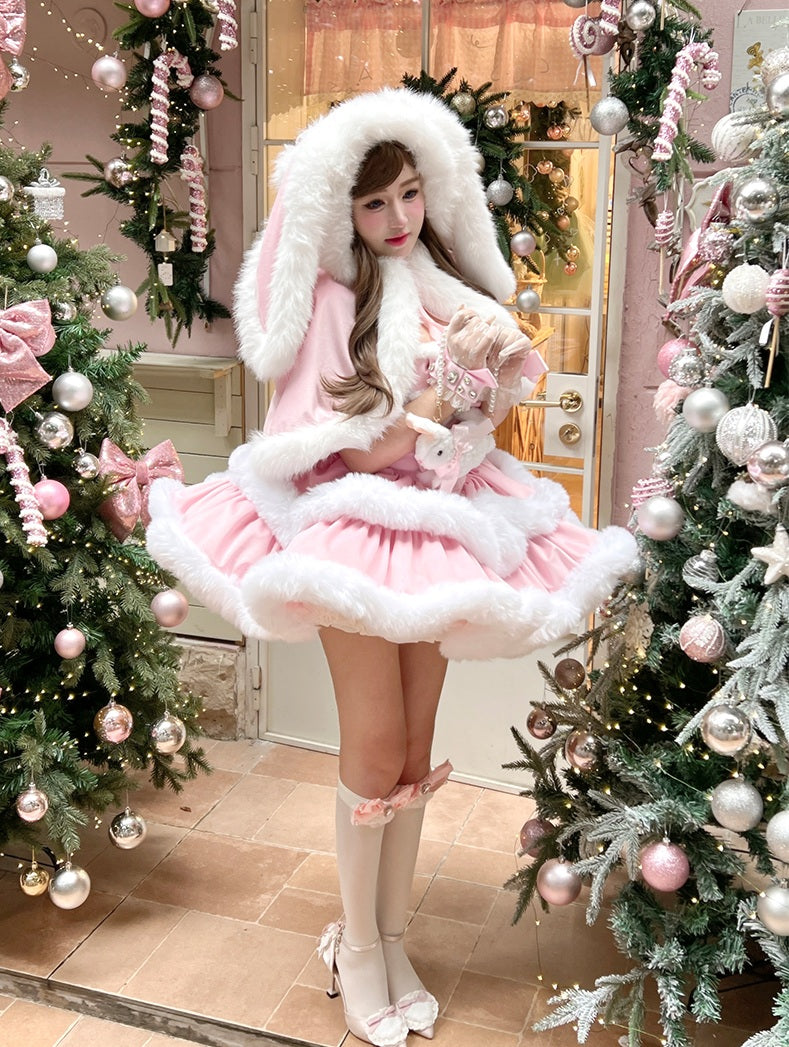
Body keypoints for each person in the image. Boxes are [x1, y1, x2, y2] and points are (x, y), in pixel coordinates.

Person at [146, 87, 637, 1047]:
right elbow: (326, 447)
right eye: (375, 203)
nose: (398, 219)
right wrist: (430, 400)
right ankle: (356, 948)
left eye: (410, 194)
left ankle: (391, 934)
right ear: (341, 210)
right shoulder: (333, 300)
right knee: (372, 745)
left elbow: (480, 422)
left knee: (413, 750)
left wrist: (475, 399)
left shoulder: (448, 292)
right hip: (353, 529)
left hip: (446, 527)